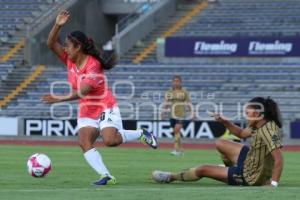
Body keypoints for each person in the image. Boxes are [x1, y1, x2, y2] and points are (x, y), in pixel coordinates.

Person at [42, 10, 157, 186]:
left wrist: (58, 99)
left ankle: (141, 133)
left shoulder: (93, 65)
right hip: (87, 110)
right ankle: (106, 176)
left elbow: (83, 91)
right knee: (83, 141)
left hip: (105, 106)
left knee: (110, 140)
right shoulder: (70, 59)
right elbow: (50, 43)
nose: (65, 49)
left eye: (68, 45)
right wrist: (57, 25)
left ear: (78, 47)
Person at [153, 97, 284, 187]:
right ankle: (229, 169)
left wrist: (273, 184)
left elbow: (279, 159)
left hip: (250, 177)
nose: (245, 115)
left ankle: (171, 177)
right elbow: (241, 134)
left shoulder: (268, 130)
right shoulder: (259, 124)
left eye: (247, 112)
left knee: (202, 170)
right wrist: (224, 121)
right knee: (220, 143)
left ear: (256, 113)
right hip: (251, 161)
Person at [161, 75, 193, 156]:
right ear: (172, 82)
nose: (176, 83)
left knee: (176, 131)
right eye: (174, 81)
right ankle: (181, 150)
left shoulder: (184, 91)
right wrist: (163, 112)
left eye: (177, 81)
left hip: (181, 115)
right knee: (176, 133)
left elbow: (189, 103)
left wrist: (192, 113)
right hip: (172, 115)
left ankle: (175, 149)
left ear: (180, 82)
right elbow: (166, 103)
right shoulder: (169, 92)